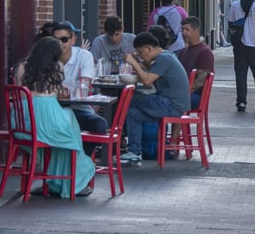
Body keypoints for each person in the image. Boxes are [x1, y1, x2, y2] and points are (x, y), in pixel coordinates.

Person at [19, 37, 95, 198]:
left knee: (66, 129)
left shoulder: (21, 67)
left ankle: (52, 181)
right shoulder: (57, 68)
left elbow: (22, 92)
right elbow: (57, 92)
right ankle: (69, 183)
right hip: (47, 117)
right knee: (70, 135)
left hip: (22, 122)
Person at [120, 32, 190, 166]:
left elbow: (147, 81)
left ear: (148, 48)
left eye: (141, 52)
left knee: (131, 98)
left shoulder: (163, 58)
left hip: (171, 105)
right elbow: (149, 75)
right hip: (171, 104)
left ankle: (120, 134)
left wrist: (134, 63)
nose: (141, 55)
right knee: (133, 114)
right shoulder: (167, 55)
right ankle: (135, 153)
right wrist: (140, 62)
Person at [51, 21, 107, 153]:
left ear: (73, 40)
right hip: (53, 109)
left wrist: (64, 91)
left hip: (78, 108)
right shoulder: (47, 57)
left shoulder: (84, 56)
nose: (59, 43)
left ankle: (81, 158)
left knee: (99, 125)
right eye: (55, 40)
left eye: (64, 39)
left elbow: (84, 87)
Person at [177, 17, 215, 110]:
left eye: (187, 30)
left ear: (196, 31)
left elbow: (200, 82)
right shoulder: (183, 51)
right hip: (183, 92)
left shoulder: (205, 52)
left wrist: (179, 93)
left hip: (195, 96)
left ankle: (178, 124)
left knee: (169, 101)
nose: (183, 33)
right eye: (182, 29)